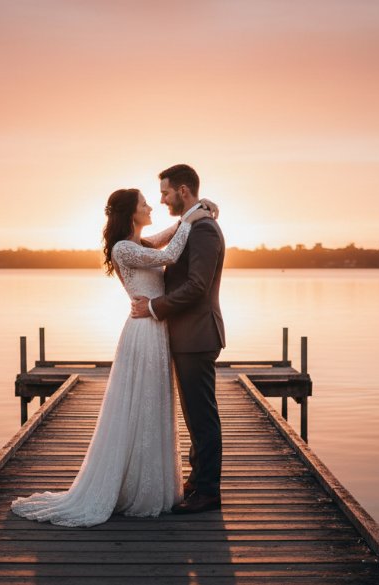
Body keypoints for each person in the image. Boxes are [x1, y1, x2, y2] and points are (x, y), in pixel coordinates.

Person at [10, 186, 215, 527]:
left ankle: (151, 483)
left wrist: (198, 209)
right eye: (144, 203)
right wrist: (195, 215)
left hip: (155, 329)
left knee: (153, 406)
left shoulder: (139, 244)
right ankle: (131, 487)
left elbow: (168, 235)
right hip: (143, 332)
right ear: (130, 213)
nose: (151, 205)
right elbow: (172, 253)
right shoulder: (124, 248)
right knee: (141, 403)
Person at [131, 163, 226, 514]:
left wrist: (154, 307)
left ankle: (208, 491)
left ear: (183, 191)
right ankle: (198, 480)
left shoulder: (204, 231)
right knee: (194, 413)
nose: (162, 198)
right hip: (188, 335)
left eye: (166, 192)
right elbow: (155, 246)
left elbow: (197, 286)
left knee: (202, 416)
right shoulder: (192, 225)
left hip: (198, 335)